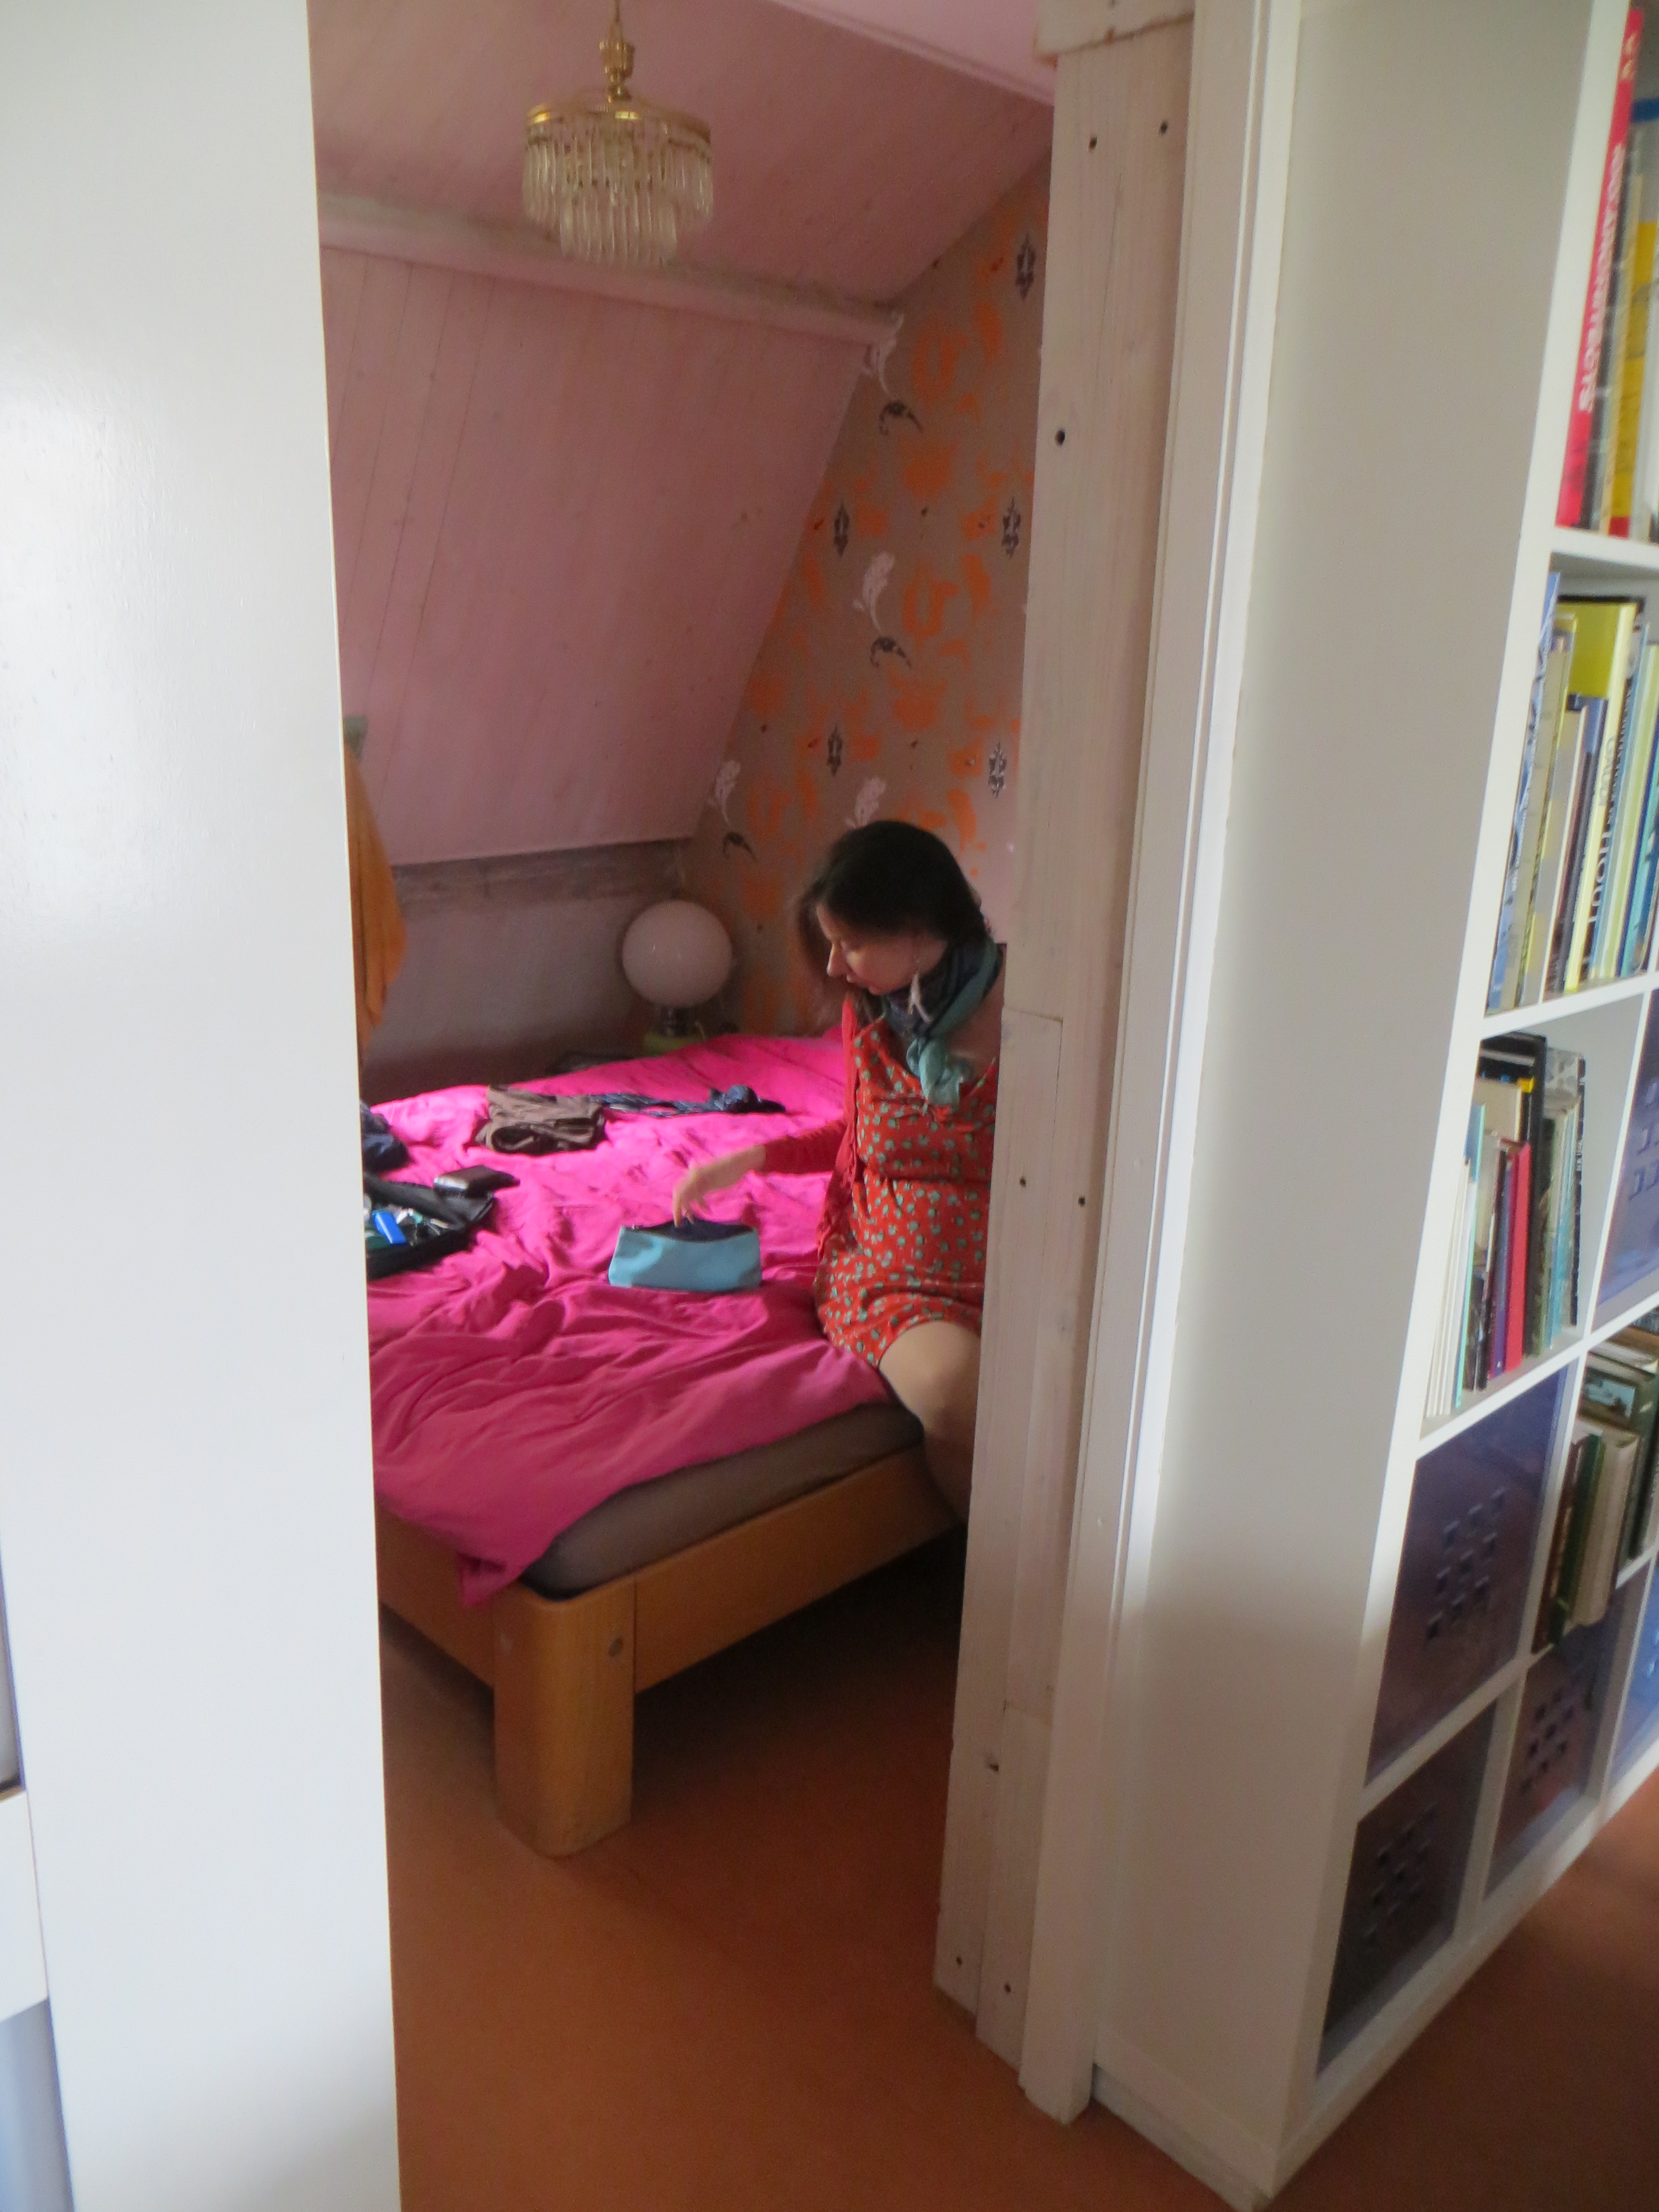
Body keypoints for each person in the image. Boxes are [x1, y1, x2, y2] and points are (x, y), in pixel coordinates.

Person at [672, 821, 1002, 1516]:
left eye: (849, 942)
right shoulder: (873, 1019)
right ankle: (1003, 1573)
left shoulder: (1033, 1011)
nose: (833, 967)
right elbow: (863, 1136)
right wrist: (752, 1158)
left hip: (1016, 1273)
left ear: (916, 925)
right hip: (895, 1278)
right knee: (958, 1395)